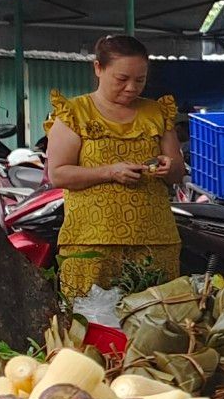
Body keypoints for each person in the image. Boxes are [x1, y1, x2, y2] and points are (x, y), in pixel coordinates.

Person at [44, 33, 183, 296]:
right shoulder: (75, 113)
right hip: (91, 241)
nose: (131, 87)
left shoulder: (157, 113)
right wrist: (109, 171)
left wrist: (170, 166)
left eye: (140, 80)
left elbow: (177, 172)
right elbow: (59, 174)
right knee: (89, 323)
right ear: (98, 68)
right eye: (121, 79)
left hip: (155, 240)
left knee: (154, 325)